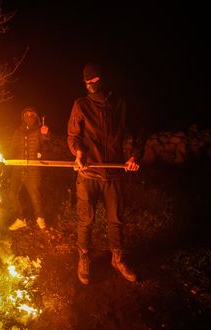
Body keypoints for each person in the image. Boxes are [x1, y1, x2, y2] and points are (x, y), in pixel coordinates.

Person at [67, 62, 145, 285]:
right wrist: (79, 153)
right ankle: (84, 258)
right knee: (86, 220)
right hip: (89, 174)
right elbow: (74, 136)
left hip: (113, 173)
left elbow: (137, 133)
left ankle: (118, 258)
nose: (91, 84)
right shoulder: (80, 105)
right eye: (87, 82)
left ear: (104, 79)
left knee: (116, 220)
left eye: (95, 80)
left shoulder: (120, 105)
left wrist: (133, 157)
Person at [7, 106, 50, 231]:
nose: (29, 117)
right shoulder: (18, 131)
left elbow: (46, 144)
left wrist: (45, 134)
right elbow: (12, 148)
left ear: (36, 117)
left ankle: (40, 218)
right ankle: (20, 219)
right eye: (27, 114)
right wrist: (6, 159)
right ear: (23, 117)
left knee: (35, 195)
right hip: (18, 168)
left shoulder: (40, 131)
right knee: (12, 194)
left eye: (32, 115)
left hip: (33, 169)